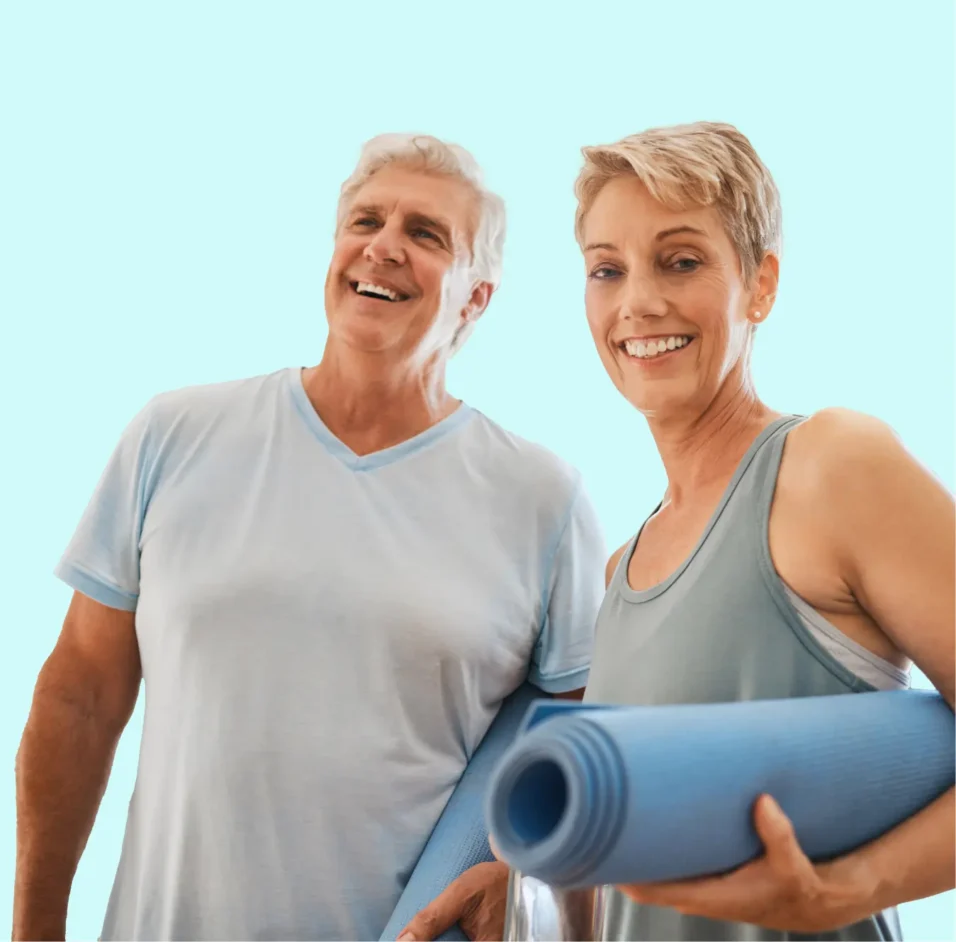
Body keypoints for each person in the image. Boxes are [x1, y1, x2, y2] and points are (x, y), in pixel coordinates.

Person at [12, 134, 607, 942]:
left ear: (475, 299)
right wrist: (35, 926)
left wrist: (519, 874)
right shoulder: (175, 434)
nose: (384, 245)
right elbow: (80, 695)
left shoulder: (544, 500)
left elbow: (576, 750)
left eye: (426, 234)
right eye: (366, 220)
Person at [572, 121, 954, 940]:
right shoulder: (616, 575)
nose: (637, 301)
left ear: (760, 285)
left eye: (680, 260)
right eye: (608, 269)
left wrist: (848, 888)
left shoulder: (832, 468)